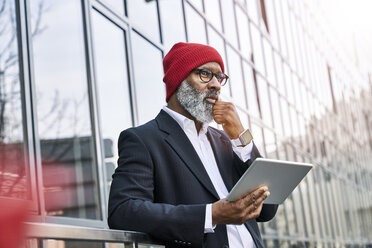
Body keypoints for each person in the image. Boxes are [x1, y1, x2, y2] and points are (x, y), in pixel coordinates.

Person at [108, 42, 278, 248]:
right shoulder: (143, 139)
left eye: (219, 77)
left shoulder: (226, 140)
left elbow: (267, 211)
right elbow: (123, 211)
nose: (215, 84)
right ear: (179, 80)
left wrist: (241, 136)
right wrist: (210, 215)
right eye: (205, 74)